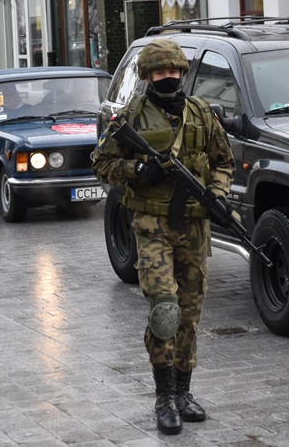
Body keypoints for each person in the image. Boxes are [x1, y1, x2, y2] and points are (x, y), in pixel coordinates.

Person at [92, 38, 234, 436]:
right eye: (159, 72)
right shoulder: (130, 118)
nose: (167, 77)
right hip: (151, 226)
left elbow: (223, 162)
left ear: (182, 72)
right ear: (148, 76)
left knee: (190, 311)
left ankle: (185, 392)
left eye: (172, 71)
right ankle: (163, 397)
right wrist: (137, 171)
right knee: (165, 308)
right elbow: (101, 163)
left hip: (194, 225)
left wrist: (219, 194)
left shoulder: (202, 114)